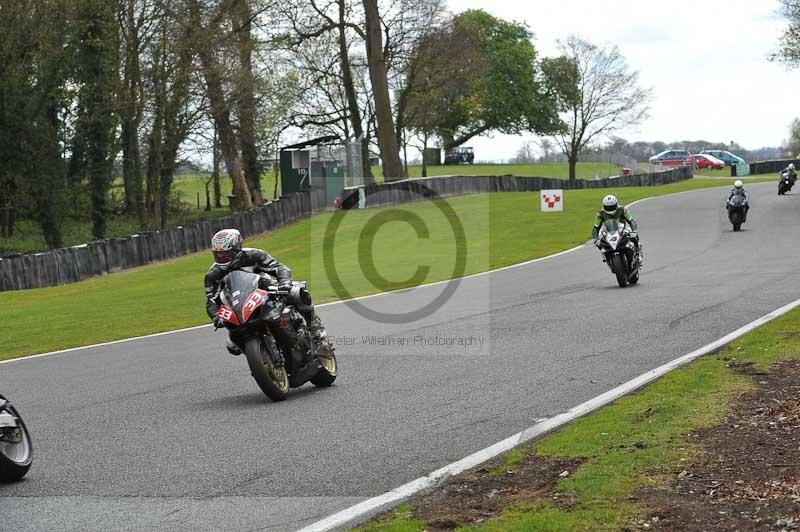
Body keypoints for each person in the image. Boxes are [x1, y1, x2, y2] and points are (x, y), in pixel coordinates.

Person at [204, 228, 326, 356]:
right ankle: (263, 358)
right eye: (218, 254)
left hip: (266, 291)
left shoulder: (254, 255)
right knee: (232, 346)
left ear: (236, 248)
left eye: (225, 254)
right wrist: (216, 316)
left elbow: (279, 268)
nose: (221, 257)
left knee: (297, 292)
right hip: (239, 307)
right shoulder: (213, 274)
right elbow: (211, 300)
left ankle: (315, 326)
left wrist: (285, 283)